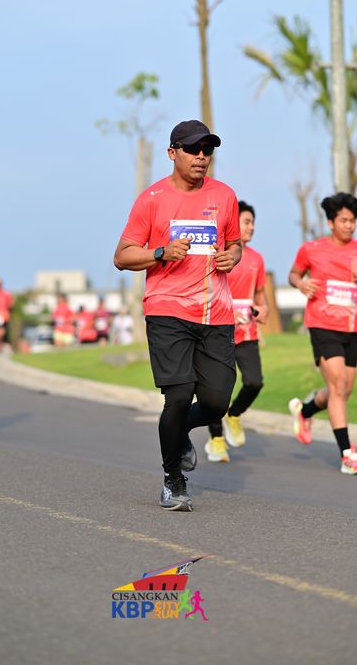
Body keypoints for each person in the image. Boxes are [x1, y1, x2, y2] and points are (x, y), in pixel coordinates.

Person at [114, 119, 242, 511]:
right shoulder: (151, 199)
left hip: (216, 313)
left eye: (208, 150)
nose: (201, 156)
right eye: (193, 149)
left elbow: (235, 243)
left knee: (217, 402)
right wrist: (161, 252)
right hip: (167, 310)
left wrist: (232, 256)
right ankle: (173, 479)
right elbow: (122, 256)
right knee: (179, 395)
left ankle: (180, 429)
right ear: (172, 153)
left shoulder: (225, 196)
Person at [288, 192, 357, 475]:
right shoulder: (311, 249)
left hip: (352, 327)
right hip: (322, 324)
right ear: (331, 222)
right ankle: (347, 455)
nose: (349, 226)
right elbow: (294, 274)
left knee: (343, 390)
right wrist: (301, 285)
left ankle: (305, 411)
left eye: (353, 221)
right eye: (344, 220)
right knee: (339, 384)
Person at [205, 202, 269, 462]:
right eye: (246, 222)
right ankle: (216, 439)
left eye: (253, 222)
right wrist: (226, 312)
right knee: (217, 388)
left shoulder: (257, 259)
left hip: (247, 332)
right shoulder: (218, 253)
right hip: (218, 331)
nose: (251, 227)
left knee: (255, 381)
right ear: (234, 223)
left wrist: (264, 309)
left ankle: (234, 414)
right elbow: (207, 290)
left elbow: (261, 294)